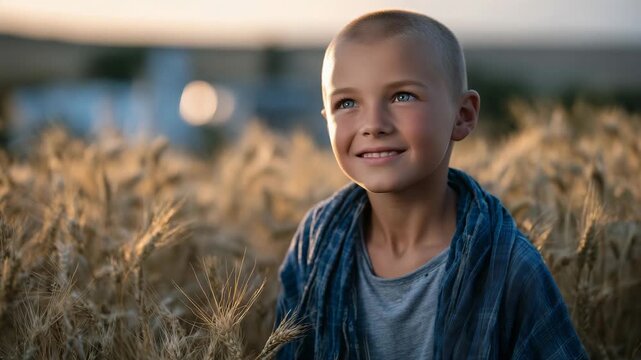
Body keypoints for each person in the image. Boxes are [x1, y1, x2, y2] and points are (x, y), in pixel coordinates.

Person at [275, 9, 587, 359]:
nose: (373, 124)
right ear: (327, 120)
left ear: (463, 115)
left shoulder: (509, 266)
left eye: (402, 96)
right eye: (347, 103)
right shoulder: (315, 241)